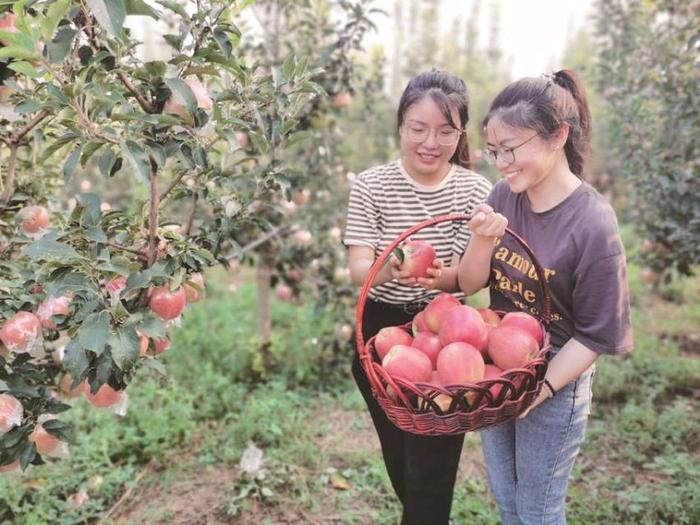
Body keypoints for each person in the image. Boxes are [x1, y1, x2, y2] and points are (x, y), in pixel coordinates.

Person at [458, 69, 633, 524]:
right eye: (494, 151)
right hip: (499, 368)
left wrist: (543, 387)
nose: (501, 162)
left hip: (555, 377)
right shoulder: (505, 196)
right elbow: (470, 282)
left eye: (510, 149)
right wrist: (480, 240)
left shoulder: (592, 223)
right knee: (507, 498)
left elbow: (596, 335)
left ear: (557, 135)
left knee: (537, 508)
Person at [343, 69, 492, 524]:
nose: (431, 142)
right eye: (418, 128)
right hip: (380, 333)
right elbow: (358, 271)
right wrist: (396, 263)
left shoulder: (475, 190)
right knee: (404, 460)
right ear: (401, 127)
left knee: (431, 470)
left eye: (446, 131)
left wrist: (444, 279)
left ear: (461, 133)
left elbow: (470, 282)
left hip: (447, 336)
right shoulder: (372, 186)